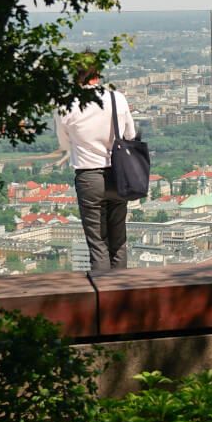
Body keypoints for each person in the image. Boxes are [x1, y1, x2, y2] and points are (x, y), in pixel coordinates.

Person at [55, 62, 138, 275]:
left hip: (88, 175)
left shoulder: (66, 104)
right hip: (119, 174)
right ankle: (121, 293)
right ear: (98, 73)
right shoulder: (116, 98)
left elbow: (64, 145)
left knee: (97, 243)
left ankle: (103, 294)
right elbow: (130, 136)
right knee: (119, 239)